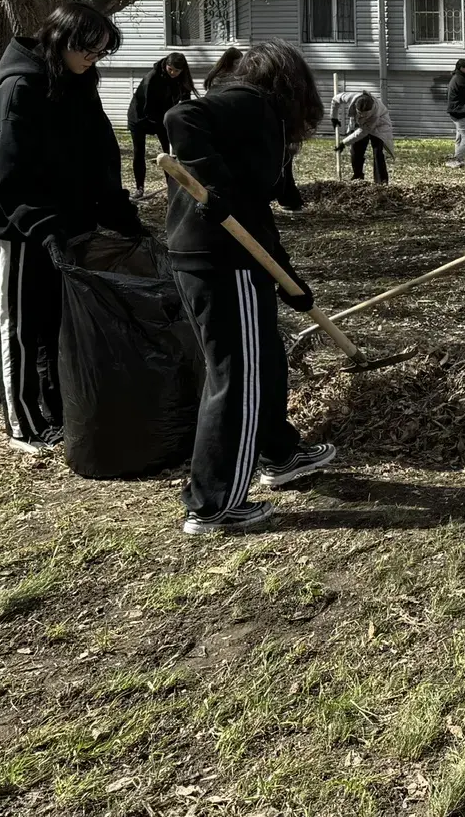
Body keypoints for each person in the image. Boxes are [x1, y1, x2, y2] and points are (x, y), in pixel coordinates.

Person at [163, 41, 336, 535]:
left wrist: (288, 279)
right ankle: (214, 503)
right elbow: (179, 117)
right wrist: (214, 186)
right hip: (223, 261)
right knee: (236, 375)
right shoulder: (250, 104)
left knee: (264, 358)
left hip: (225, 256)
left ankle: (279, 452)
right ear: (291, 84)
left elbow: (252, 211)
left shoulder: (252, 116)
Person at [0, 2, 145, 455]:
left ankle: (58, 413)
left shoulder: (81, 85)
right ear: (61, 40)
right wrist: (43, 227)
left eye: (101, 52)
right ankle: (23, 425)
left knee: (57, 325)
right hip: (17, 231)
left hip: (67, 229)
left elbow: (101, 161)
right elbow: (11, 177)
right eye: (88, 49)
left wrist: (124, 219)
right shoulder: (18, 90)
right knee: (21, 328)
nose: (93, 59)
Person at [127, 53, 193, 197]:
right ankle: (139, 188)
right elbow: (147, 108)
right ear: (166, 66)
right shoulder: (152, 78)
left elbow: (186, 100)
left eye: (177, 71)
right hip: (140, 116)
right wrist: (165, 121)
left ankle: (172, 187)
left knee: (169, 154)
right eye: (170, 69)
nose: (173, 73)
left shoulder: (182, 78)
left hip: (162, 115)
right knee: (139, 151)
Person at [333, 88, 394, 183]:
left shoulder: (375, 113)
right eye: (360, 114)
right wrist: (334, 117)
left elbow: (363, 131)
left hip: (380, 126)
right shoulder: (350, 97)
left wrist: (343, 143)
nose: (362, 116)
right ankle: (357, 176)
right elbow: (335, 100)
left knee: (377, 152)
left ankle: (381, 181)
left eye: (365, 115)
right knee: (356, 150)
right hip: (361, 125)